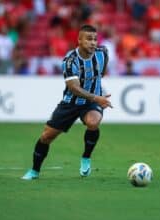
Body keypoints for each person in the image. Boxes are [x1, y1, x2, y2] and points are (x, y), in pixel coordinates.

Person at [22, 25, 112, 180]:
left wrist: (98, 91)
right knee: (46, 136)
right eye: (89, 39)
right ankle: (34, 171)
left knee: (93, 122)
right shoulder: (70, 61)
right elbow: (74, 88)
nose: (93, 43)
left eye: (95, 39)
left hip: (90, 102)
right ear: (79, 40)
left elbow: (101, 73)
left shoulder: (103, 53)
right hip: (71, 102)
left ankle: (86, 157)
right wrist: (97, 98)